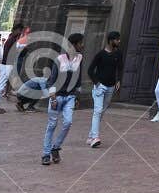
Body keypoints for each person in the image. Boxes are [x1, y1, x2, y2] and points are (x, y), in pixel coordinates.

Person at [40, 35, 85, 166]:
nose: (82, 46)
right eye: (81, 43)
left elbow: (78, 80)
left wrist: (77, 96)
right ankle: (46, 153)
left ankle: (56, 147)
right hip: (57, 96)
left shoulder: (80, 58)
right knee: (52, 126)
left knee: (68, 122)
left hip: (70, 96)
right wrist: (53, 98)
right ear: (74, 44)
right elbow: (51, 80)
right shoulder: (59, 59)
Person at [86, 32, 123, 147]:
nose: (119, 42)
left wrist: (118, 80)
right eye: (117, 40)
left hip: (111, 87)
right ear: (111, 40)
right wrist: (97, 83)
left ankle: (90, 136)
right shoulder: (100, 54)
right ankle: (95, 137)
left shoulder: (118, 54)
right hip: (100, 87)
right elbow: (90, 70)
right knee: (97, 110)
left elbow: (120, 68)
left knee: (101, 111)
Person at [0, 25, 23, 113]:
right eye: (20, 30)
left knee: (1, 85)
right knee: (1, 85)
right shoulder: (11, 40)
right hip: (7, 64)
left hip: (6, 64)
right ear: (16, 30)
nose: (20, 32)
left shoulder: (11, 39)